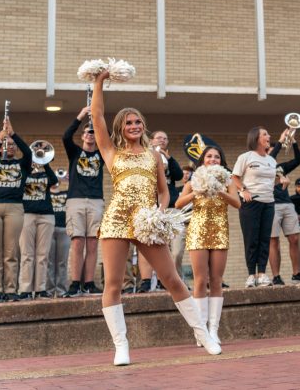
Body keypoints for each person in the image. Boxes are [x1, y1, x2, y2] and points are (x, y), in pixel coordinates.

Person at [90, 69, 220, 366]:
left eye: (138, 122)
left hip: (147, 222)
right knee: (113, 283)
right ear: (120, 128)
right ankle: (121, 346)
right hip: (116, 221)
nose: (134, 126)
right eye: (128, 123)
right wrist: (99, 82)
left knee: (172, 278)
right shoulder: (110, 151)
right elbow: (97, 117)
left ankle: (203, 334)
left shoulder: (153, 155)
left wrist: (159, 214)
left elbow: (163, 192)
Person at [175, 145, 240, 346]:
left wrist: (219, 191)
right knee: (200, 280)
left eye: (217, 157)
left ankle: (214, 329)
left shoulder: (227, 179)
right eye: (209, 156)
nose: (213, 159)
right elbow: (178, 204)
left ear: (221, 161)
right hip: (198, 229)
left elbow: (237, 203)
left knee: (216, 279)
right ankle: (200, 330)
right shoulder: (195, 179)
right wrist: (198, 191)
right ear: (203, 159)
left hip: (219, 229)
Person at [0, 116, 31, 302]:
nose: (9, 146)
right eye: (7, 144)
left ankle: (10, 290)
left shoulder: (22, 165)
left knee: (11, 252)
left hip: (14, 208)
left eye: (12, 145)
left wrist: (13, 134)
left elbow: (29, 154)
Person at [62, 107, 105, 297]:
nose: (90, 134)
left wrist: (97, 119)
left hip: (96, 201)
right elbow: (66, 136)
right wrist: (80, 116)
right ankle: (74, 283)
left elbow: (109, 139)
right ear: (83, 136)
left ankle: (89, 283)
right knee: (77, 242)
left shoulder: (101, 155)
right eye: (87, 132)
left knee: (93, 243)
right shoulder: (75, 152)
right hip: (75, 200)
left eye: (94, 132)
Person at [231, 126, 279, 288]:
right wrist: (243, 190)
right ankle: (251, 274)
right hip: (251, 204)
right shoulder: (246, 157)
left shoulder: (272, 160)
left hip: (268, 203)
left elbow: (271, 180)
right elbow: (235, 177)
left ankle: (262, 274)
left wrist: (279, 182)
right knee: (252, 239)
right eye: (265, 134)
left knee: (265, 239)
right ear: (256, 138)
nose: (269, 136)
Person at [138, 129, 184, 290]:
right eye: (159, 138)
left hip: (170, 206)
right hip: (150, 206)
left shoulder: (168, 158)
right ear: (151, 141)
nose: (162, 140)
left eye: (165, 138)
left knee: (175, 249)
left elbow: (178, 176)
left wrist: (169, 158)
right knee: (149, 243)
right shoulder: (145, 154)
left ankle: (170, 279)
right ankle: (146, 281)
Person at [267, 133, 300, 285]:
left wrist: (294, 142)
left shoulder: (280, 166)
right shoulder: (262, 166)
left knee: (294, 239)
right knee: (273, 241)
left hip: (287, 204)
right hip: (272, 205)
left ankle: (297, 273)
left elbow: (299, 160)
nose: (272, 152)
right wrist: (280, 143)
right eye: (269, 149)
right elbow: (270, 157)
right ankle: (276, 276)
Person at [17, 162, 57, 299]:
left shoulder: (46, 175)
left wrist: (44, 163)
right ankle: (26, 290)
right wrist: (28, 165)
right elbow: (18, 181)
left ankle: (40, 289)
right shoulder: (24, 174)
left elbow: (54, 180)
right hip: (27, 215)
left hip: (46, 216)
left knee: (43, 255)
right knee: (27, 254)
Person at [47, 169, 70, 297]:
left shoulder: (66, 192)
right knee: (49, 262)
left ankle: (61, 290)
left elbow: (75, 189)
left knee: (62, 261)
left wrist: (66, 180)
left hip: (64, 229)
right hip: (49, 229)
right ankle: (49, 291)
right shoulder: (46, 194)